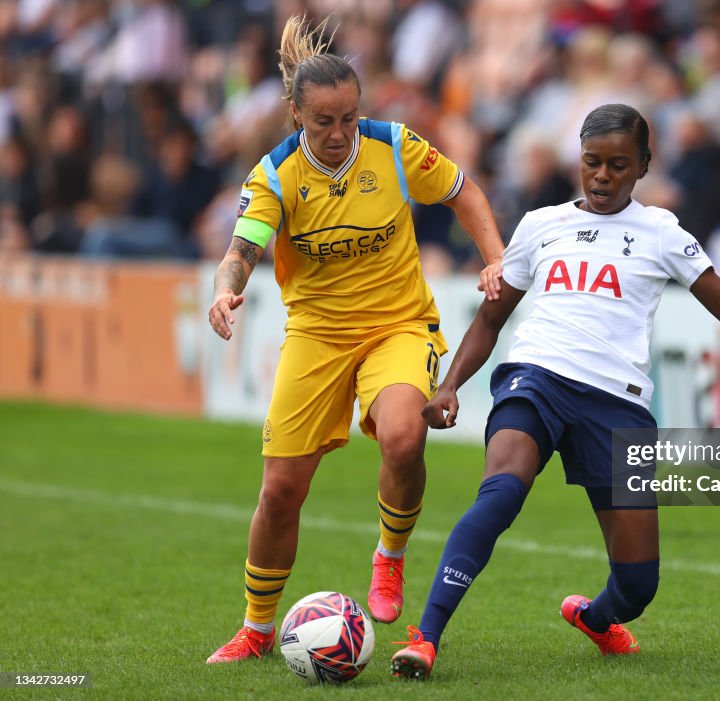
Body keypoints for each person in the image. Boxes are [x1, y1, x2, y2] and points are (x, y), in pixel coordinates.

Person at [390, 104, 720, 679]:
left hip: (616, 404)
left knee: (637, 585)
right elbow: (490, 320)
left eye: (618, 165)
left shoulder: (661, 233)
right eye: (592, 162)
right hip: (537, 377)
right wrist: (450, 384)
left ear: (643, 166)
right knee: (500, 493)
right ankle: (425, 639)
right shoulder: (539, 225)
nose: (602, 176)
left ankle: (596, 618)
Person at [205, 16, 505, 663]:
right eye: (324, 122)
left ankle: (389, 556)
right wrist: (227, 287)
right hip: (315, 334)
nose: (340, 133)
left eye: (349, 117)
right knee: (280, 491)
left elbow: (465, 192)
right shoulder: (275, 176)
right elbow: (241, 250)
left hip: (398, 324)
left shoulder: (395, 147)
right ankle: (257, 628)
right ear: (295, 115)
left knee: (404, 433)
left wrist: (495, 257)